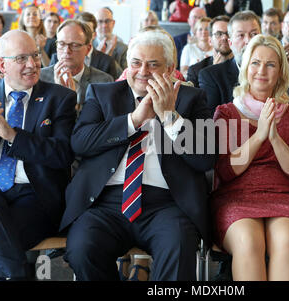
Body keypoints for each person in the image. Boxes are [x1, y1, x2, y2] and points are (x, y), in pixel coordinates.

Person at [60, 29, 215, 281]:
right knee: (82, 249)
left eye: (153, 64)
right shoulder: (103, 94)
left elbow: (205, 159)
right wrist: (133, 120)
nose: (142, 71)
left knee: (179, 249)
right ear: (127, 64)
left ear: (170, 68)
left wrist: (169, 117)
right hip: (105, 203)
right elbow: (80, 142)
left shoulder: (192, 99)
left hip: (167, 204)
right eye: (136, 63)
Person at [0, 29, 76, 281]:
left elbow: (62, 155)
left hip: (34, 196)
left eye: (36, 55)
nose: (33, 64)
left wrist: (13, 136)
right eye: (21, 59)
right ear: (1, 65)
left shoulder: (59, 98)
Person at [211, 34, 289, 281]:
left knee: (286, 239)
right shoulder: (225, 113)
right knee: (247, 241)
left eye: (270, 64)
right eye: (255, 63)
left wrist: (275, 136)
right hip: (235, 198)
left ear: (280, 72)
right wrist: (259, 135)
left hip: (284, 197)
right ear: (245, 68)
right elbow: (225, 171)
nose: (262, 71)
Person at [40, 20, 114, 111]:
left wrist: (71, 101)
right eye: (62, 44)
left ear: (88, 49)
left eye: (74, 45)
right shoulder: (40, 77)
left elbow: (100, 122)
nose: (67, 51)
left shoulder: (103, 81)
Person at [199, 10, 261, 115]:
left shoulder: (277, 72)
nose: (248, 41)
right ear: (230, 43)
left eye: (254, 34)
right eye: (241, 35)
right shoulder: (212, 76)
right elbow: (211, 125)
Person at [186, 15, 233, 88]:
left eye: (228, 33)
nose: (224, 37)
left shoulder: (244, 67)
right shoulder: (195, 71)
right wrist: (212, 72)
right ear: (210, 40)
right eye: (219, 34)